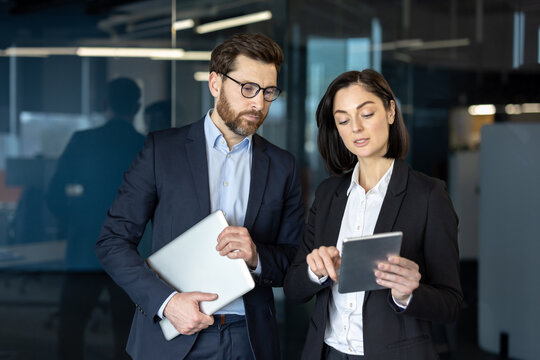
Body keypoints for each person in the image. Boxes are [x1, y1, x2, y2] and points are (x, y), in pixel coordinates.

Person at [95, 33, 305, 360]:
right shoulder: (161, 151)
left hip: (248, 339)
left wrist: (257, 256)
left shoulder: (283, 166)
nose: (258, 103)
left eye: (268, 92)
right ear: (215, 83)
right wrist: (167, 303)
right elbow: (112, 241)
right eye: (247, 88)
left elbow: (294, 260)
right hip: (170, 334)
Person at [283, 69, 462, 360]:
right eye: (343, 120)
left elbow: (451, 303)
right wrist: (314, 272)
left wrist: (407, 294)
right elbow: (293, 288)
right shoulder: (328, 195)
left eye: (366, 114)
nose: (355, 128)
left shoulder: (429, 196)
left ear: (391, 111)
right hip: (326, 352)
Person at [46, 77, 145, 359]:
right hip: (130, 253)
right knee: (127, 336)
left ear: (104, 104)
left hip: (84, 249)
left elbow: (53, 195)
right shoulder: (144, 146)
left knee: (71, 331)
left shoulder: (82, 141)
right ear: (137, 107)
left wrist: (76, 222)